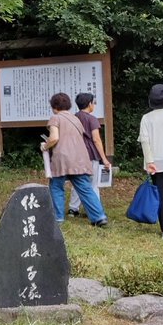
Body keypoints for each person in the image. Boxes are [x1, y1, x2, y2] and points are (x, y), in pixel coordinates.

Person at [40, 92, 108, 227]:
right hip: (80, 158)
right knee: (85, 188)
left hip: (62, 158)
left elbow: (54, 138)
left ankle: (58, 218)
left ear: (54, 106)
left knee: (57, 187)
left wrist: (45, 146)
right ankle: (99, 217)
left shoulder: (55, 118)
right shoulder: (75, 119)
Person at [138, 82, 163, 241]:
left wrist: (149, 162)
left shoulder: (146, 118)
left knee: (160, 197)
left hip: (156, 164)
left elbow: (145, 141)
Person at [68, 91, 111, 217]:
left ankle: (73, 208)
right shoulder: (92, 119)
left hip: (75, 154)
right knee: (92, 184)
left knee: (77, 181)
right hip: (90, 154)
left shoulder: (73, 118)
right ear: (89, 104)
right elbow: (96, 139)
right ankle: (94, 209)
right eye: (93, 102)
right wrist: (104, 158)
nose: (94, 105)